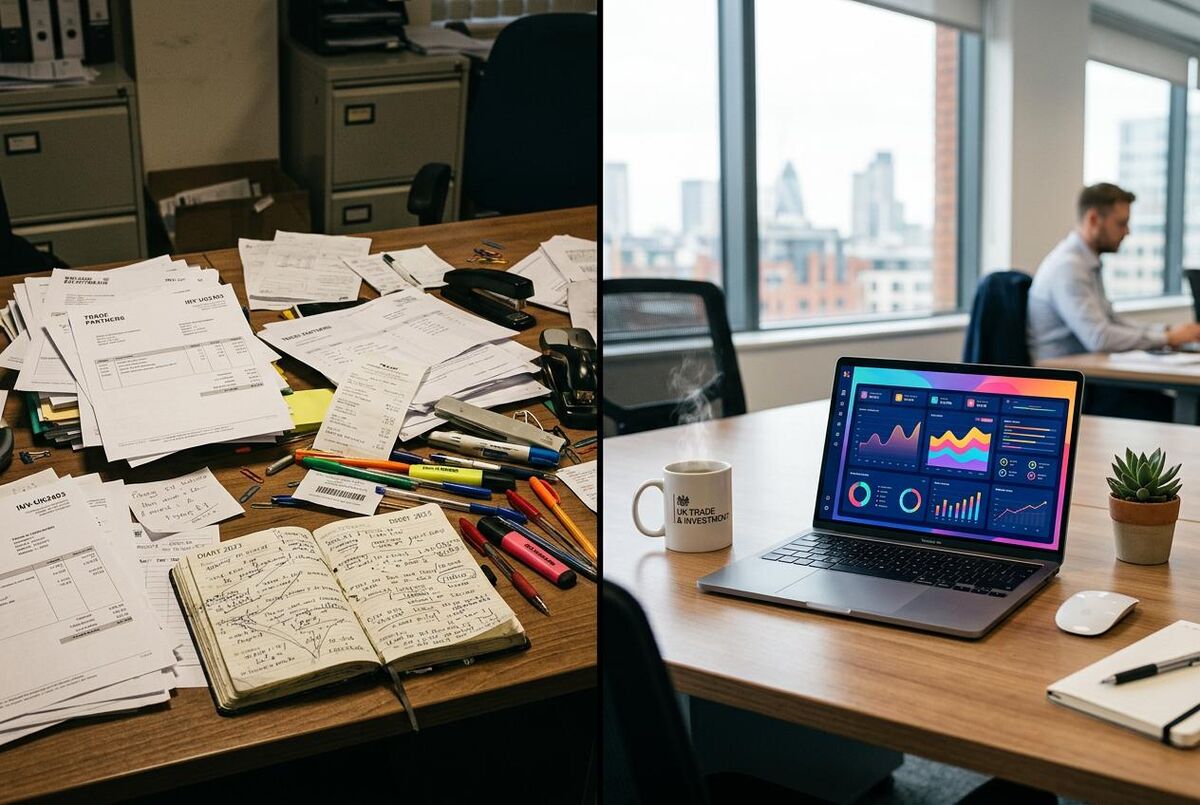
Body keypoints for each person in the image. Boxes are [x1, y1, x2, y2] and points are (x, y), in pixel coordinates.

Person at [1027, 182, 1200, 420]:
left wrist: (1167, 332)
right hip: (1072, 392)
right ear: (1094, 219)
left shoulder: (1086, 264)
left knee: (1171, 405)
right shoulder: (1069, 267)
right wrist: (1167, 338)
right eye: (1121, 223)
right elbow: (1099, 337)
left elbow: (1111, 320)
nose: (1127, 231)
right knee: (1173, 411)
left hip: (1093, 382)